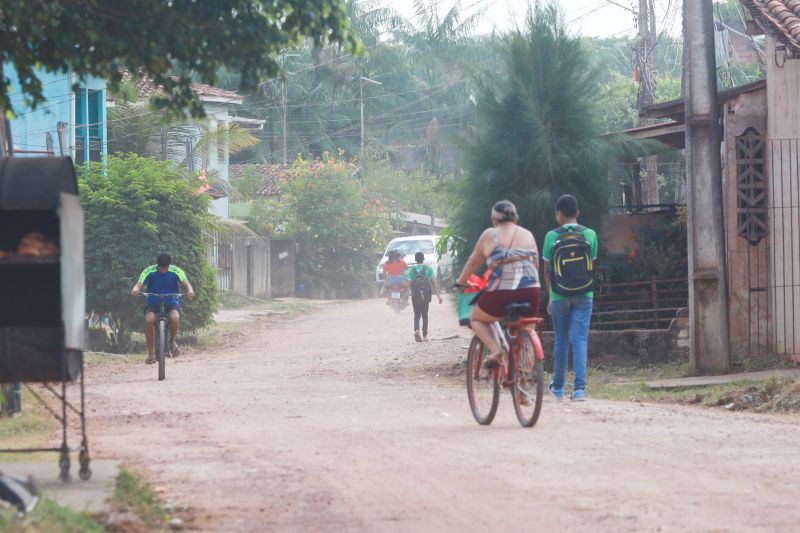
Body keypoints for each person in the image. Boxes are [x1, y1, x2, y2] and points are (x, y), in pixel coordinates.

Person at [455, 200, 541, 367]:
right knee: (528, 330)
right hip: (531, 290)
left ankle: (495, 349)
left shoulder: (490, 235)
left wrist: (462, 282)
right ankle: (526, 383)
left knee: (476, 319)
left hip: (502, 292)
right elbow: (535, 265)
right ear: (516, 218)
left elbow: (473, 263)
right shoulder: (528, 235)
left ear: (494, 220)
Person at [542, 194, 598, 402]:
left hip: (559, 295)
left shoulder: (550, 236)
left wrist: (550, 296)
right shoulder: (590, 234)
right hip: (585, 294)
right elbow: (591, 265)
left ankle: (558, 389)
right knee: (580, 339)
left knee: (561, 339)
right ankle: (580, 390)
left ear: (559, 214)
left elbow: (547, 271)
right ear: (578, 213)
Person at [130, 253, 195, 364]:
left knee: (175, 317)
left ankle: (172, 342)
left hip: (171, 301)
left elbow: (186, 283)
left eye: (165, 268)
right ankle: (150, 353)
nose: (163, 271)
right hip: (154, 302)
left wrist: (190, 290)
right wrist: (135, 289)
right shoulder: (149, 271)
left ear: (169, 266)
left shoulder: (176, 271)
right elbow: (139, 284)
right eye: (161, 268)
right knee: (149, 320)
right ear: (157, 265)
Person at [406, 251, 443, 342]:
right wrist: (438, 296)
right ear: (423, 259)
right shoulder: (428, 269)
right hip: (426, 297)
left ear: (415, 260)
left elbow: (408, 285)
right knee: (425, 315)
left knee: (417, 315)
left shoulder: (411, 270)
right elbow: (434, 282)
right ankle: (425, 336)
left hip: (415, 297)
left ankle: (416, 330)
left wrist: (407, 297)